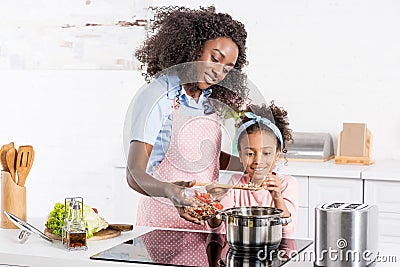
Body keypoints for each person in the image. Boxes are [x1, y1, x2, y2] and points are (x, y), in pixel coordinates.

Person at [126, 5, 249, 231]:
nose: (218, 72)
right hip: (163, 224)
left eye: (227, 69)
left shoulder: (207, 98)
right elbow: (134, 174)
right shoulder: (158, 95)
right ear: (194, 48)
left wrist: (250, 165)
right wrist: (171, 191)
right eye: (214, 58)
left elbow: (205, 156)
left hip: (205, 219)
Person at [207, 102, 299, 237]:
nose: (258, 161)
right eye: (250, 153)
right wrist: (214, 204)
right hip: (241, 250)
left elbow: (287, 230)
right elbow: (218, 229)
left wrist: (277, 197)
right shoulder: (236, 183)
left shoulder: (286, 184)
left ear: (277, 154)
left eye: (266, 153)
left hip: (275, 252)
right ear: (240, 154)